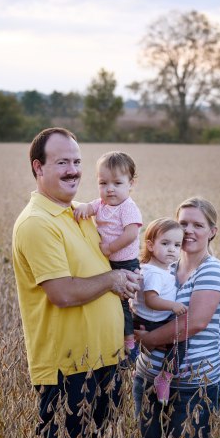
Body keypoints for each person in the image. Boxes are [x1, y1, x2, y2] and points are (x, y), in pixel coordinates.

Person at [11, 127, 141, 438]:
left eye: (77, 161)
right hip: (68, 369)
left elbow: (109, 261)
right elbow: (63, 293)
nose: (73, 170)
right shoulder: (38, 223)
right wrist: (113, 282)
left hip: (106, 360)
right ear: (38, 168)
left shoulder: (78, 214)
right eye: (62, 162)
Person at [133, 197, 220, 438]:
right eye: (183, 223)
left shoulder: (212, 270)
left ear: (212, 231)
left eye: (198, 225)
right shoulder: (165, 266)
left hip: (194, 384)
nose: (189, 230)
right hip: (149, 376)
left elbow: (196, 321)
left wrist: (149, 338)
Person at [74, 151, 142, 361]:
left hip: (125, 262)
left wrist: (110, 247)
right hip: (108, 261)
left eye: (117, 183)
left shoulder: (127, 207)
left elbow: (131, 234)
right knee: (108, 300)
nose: (109, 189)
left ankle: (130, 343)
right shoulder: (102, 204)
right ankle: (111, 338)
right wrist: (84, 207)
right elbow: (90, 207)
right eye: (103, 183)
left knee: (122, 302)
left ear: (131, 184)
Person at [131, 218, 187, 405]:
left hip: (148, 318)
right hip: (152, 320)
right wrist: (173, 306)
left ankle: (136, 363)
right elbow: (151, 300)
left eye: (177, 245)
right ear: (150, 245)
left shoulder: (162, 268)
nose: (172, 249)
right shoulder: (154, 273)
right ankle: (164, 376)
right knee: (180, 342)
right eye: (165, 243)